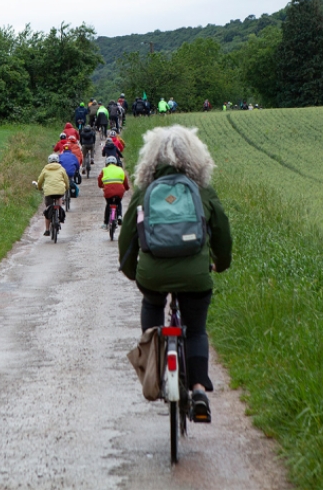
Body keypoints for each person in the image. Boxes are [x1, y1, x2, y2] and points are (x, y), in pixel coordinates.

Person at [117, 125, 232, 423]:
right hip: (195, 276)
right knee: (195, 330)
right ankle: (198, 390)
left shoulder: (145, 191)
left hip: (152, 275)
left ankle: (154, 371)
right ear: (195, 156)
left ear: (151, 158)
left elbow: (127, 236)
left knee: (153, 306)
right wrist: (221, 261)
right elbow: (222, 233)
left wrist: (133, 272)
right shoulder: (202, 191)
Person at [36, 153, 69, 236]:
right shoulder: (61, 169)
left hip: (49, 192)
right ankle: (59, 214)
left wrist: (39, 188)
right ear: (57, 160)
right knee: (59, 199)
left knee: (48, 208)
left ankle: (47, 230)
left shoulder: (45, 169)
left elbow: (40, 181)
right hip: (59, 191)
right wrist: (67, 188)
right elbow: (66, 180)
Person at [98, 155, 130, 228]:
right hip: (119, 191)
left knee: (108, 204)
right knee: (118, 202)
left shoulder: (104, 170)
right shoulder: (120, 169)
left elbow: (99, 180)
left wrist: (101, 185)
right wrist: (127, 188)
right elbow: (125, 181)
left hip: (108, 191)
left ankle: (106, 223)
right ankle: (119, 216)